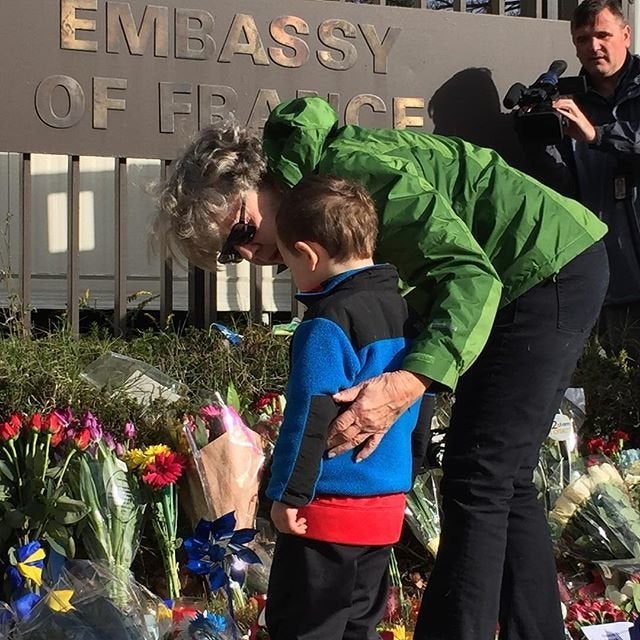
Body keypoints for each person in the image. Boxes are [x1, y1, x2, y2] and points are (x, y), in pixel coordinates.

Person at [157, 95, 609, 640]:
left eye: (240, 230)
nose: (249, 253)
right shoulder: (325, 202)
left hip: (544, 266)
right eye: (232, 254)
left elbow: (470, 277)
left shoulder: (350, 177)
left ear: (259, 179)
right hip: (530, 272)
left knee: (480, 475)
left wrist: (407, 383)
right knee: (500, 478)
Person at [264, 174, 427, 640]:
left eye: (289, 262)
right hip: (383, 513)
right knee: (360, 626)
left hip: (326, 513)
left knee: (304, 627)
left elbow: (307, 416)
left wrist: (285, 496)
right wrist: (406, 473)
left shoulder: (326, 324)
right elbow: (421, 400)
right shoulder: (406, 311)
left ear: (309, 253)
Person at [527, 0, 640, 360]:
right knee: (613, 400)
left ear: (626, 34)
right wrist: (535, 140)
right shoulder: (567, 98)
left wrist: (597, 136)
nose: (594, 47)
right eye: (583, 38)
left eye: (603, 35)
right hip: (612, 280)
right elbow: (564, 188)